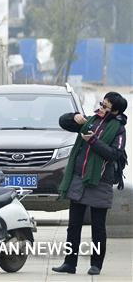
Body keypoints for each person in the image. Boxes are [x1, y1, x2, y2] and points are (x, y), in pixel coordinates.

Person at [51, 92, 128, 276]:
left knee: (98, 227)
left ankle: (96, 265)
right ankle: (69, 263)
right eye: (102, 104)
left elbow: (115, 154)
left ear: (115, 111)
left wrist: (93, 140)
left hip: (100, 182)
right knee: (74, 225)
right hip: (79, 179)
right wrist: (73, 117)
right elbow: (63, 123)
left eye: (105, 106)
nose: (101, 108)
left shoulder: (118, 129)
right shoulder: (91, 120)